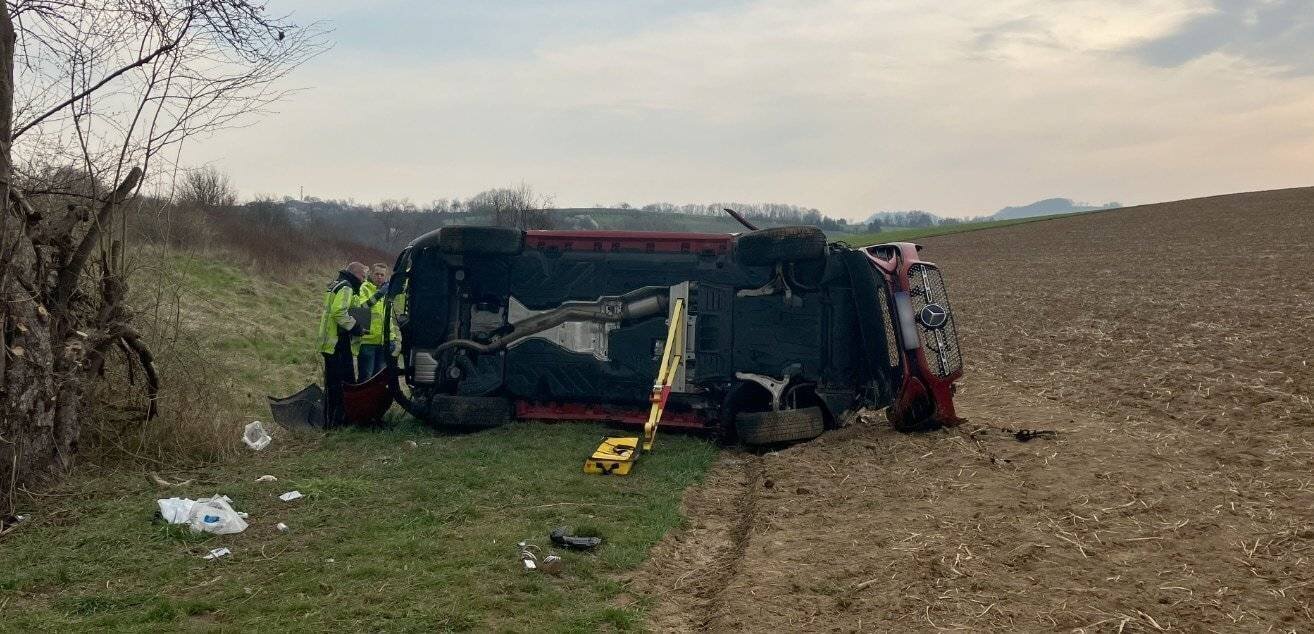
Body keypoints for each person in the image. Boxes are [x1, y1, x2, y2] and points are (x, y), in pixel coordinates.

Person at [318, 261, 367, 427]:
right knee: (341, 384)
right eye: (363, 276)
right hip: (337, 343)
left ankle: (330, 420)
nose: (364, 279)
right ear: (354, 273)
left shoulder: (336, 284)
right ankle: (339, 422)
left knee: (332, 384)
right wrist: (356, 327)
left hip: (329, 342)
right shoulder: (346, 287)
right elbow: (339, 312)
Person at [355, 263, 398, 379]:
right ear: (371, 274)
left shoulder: (388, 290)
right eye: (377, 274)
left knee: (380, 379)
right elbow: (362, 308)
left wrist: (393, 338)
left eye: (382, 275)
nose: (379, 277)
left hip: (386, 340)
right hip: (368, 341)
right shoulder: (363, 288)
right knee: (366, 377)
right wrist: (379, 294)